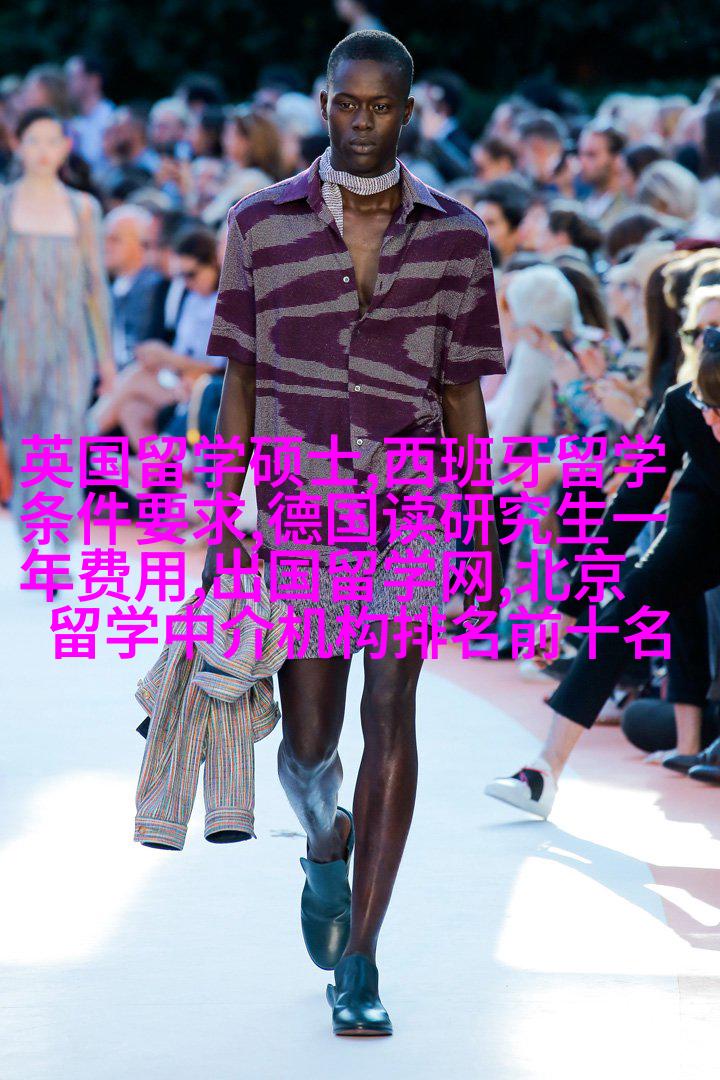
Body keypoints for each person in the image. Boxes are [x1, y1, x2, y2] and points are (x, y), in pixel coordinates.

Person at [201, 29, 505, 1036]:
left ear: (408, 113)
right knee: (309, 741)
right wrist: (221, 513)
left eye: (381, 107)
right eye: (346, 103)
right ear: (323, 103)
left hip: (414, 501)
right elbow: (239, 380)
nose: (362, 122)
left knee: (392, 710)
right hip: (302, 507)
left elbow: (463, 397)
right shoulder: (260, 224)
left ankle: (363, 957)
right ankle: (325, 836)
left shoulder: (458, 235)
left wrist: (483, 528)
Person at [485, 326, 720, 819]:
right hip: (703, 514)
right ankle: (543, 772)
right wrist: (569, 609)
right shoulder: (682, 406)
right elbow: (630, 503)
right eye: (707, 406)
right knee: (625, 610)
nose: (711, 420)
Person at [0, 108, 115, 577]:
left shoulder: (83, 208)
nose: (43, 151)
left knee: (63, 439)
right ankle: (33, 540)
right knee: (26, 441)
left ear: (66, 147)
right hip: (16, 341)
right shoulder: (4, 205)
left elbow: (96, 287)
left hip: (71, 342)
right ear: (17, 146)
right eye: (33, 140)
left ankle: (56, 548)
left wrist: (106, 359)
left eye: (52, 140)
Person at [65, 54, 115, 171]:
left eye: (73, 77)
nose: (68, 84)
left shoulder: (112, 121)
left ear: (94, 80)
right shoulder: (74, 123)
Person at [577, 122, 630, 227]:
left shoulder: (627, 210)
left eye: (591, 155)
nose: (582, 161)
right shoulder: (583, 203)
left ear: (617, 159)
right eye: (580, 154)